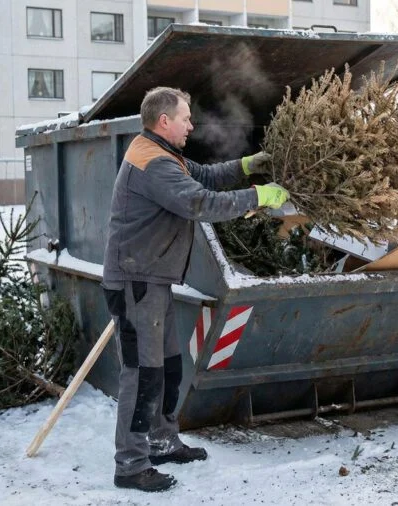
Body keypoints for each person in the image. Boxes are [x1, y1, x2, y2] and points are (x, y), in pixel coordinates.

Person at [101, 86, 288, 492]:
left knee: (168, 366)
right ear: (164, 121)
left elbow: (201, 175)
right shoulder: (154, 163)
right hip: (137, 284)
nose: (191, 125)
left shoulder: (162, 153)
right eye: (186, 118)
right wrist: (258, 196)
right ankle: (130, 465)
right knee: (143, 375)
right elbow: (199, 202)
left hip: (153, 279)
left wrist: (246, 165)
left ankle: (163, 441)